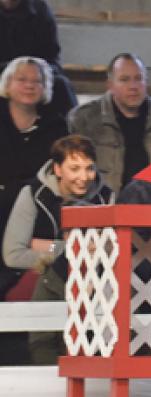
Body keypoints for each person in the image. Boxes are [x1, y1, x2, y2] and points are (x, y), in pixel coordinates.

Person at [2, 134, 113, 362]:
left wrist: (43, 245)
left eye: (89, 168)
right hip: (41, 279)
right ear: (58, 169)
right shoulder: (33, 194)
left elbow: (110, 249)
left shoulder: (106, 196)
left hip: (92, 282)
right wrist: (65, 247)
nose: (84, 177)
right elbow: (13, 254)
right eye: (74, 168)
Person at [0, 56, 67, 297]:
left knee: (54, 249)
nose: (29, 85)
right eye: (22, 79)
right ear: (7, 85)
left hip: (37, 213)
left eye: (37, 81)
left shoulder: (56, 127)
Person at [68, 53, 151, 192]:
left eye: (138, 79)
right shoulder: (84, 119)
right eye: (124, 80)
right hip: (106, 206)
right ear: (110, 85)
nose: (133, 86)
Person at [0, 0, 77, 117]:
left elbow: (52, 57)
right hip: (2, 73)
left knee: (62, 85)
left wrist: (36, 71)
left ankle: (73, 131)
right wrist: (14, 71)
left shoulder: (41, 10)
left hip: (35, 73)